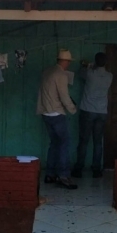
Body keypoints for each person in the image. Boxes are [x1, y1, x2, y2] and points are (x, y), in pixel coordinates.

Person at [36, 49, 78, 189]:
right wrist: (73, 109)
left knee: (54, 144)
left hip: (45, 113)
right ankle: (64, 176)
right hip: (56, 113)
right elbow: (64, 96)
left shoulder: (47, 71)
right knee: (64, 144)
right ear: (66, 61)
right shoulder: (60, 74)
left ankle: (50, 174)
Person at [72, 52, 113, 178]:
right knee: (98, 142)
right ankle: (96, 169)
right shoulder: (109, 76)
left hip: (88, 110)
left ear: (95, 61)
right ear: (106, 62)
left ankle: (79, 168)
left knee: (84, 140)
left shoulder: (89, 73)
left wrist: (87, 65)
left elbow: (80, 73)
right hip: (102, 112)